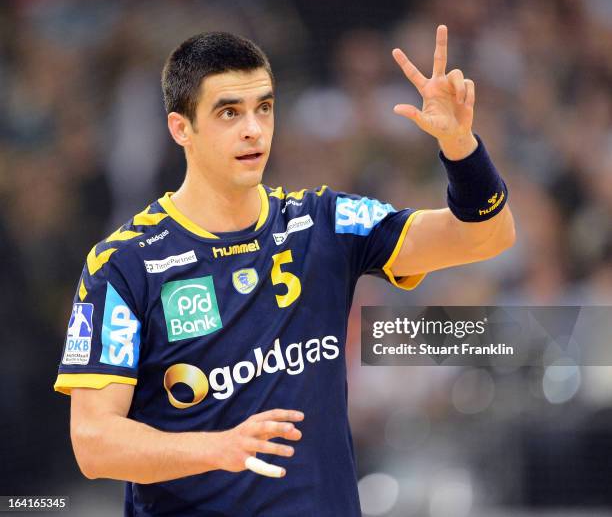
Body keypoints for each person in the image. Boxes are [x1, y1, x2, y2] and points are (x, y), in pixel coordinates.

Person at [54, 26, 515, 516]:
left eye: (264, 108)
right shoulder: (125, 264)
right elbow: (93, 442)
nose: (253, 128)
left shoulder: (324, 223)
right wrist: (219, 448)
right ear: (180, 128)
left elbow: (486, 236)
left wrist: (462, 148)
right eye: (229, 112)